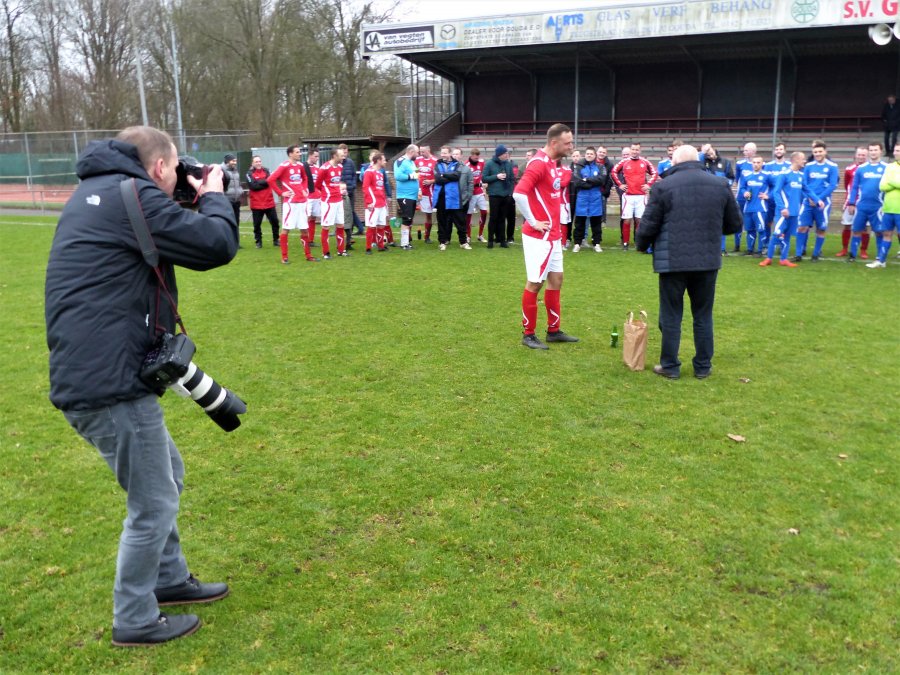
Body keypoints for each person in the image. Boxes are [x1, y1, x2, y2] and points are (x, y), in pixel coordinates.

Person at [45, 126, 235, 646]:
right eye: (173, 171)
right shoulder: (132, 194)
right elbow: (216, 244)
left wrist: (186, 193)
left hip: (95, 371)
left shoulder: (98, 192)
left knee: (166, 475)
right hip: (109, 383)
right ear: (158, 168)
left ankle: (168, 578)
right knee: (152, 502)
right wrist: (212, 194)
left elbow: (158, 232)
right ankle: (133, 617)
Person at [635, 144, 742, 379]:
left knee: (671, 314)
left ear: (675, 162)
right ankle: (703, 366)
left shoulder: (663, 186)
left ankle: (670, 366)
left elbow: (649, 224)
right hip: (707, 261)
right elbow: (734, 224)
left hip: (672, 261)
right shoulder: (720, 184)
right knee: (703, 315)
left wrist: (641, 245)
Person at [513, 123, 579, 350]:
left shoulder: (551, 163)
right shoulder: (538, 163)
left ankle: (553, 330)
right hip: (539, 237)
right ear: (554, 143)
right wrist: (533, 221)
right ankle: (528, 334)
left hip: (553, 236)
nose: (571, 146)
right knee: (535, 283)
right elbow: (519, 194)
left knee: (556, 280)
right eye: (568, 143)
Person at [759, 152, 820, 268]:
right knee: (777, 234)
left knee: (787, 236)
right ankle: (768, 258)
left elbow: (807, 190)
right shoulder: (784, 175)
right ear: (796, 160)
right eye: (802, 159)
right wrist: (782, 208)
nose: (804, 161)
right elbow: (776, 192)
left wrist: (817, 200)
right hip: (783, 213)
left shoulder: (801, 175)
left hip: (795, 212)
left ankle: (783, 259)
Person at [267, 145, 316, 264]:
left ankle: (308, 255)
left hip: (302, 202)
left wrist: (304, 189)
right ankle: (284, 257)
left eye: (300, 152)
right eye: (297, 152)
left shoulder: (300, 165)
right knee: (286, 230)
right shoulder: (284, 166)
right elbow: (270, 179)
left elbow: (305, 178)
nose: (300, 154)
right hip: (290, 203)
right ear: (290, 154)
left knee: (304, 230)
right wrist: (281, 193)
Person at [795, 140, 838, 262]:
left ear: (825, 152)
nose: (818, 154)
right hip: (808, 202)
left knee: (821, 229)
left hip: (823, 203)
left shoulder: (832, 166)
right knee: (802, 227)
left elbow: (832, 185)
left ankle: (815, 254)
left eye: (820, 151)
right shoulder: (808, 166)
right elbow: (804, 184)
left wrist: (818, 199)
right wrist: (810, 198)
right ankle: (798, 254)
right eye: (815, 152)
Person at [612, 142, 658, 250]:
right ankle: (625, 243)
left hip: (641, 196)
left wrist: (648, 184)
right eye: (633, 149)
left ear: (640, 151)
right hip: (628, 196)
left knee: (639, 220)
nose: (635, 151)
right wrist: (620, 184)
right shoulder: (624, 162)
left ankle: (638, 242)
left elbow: (655, 173)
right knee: (627, 220)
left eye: (637, 149)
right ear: (630, 150)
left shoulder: (645, 162)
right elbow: (613, 172)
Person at [847, 143, 887, 263]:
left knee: (879, 231)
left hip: (878, 206)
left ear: (881, 151)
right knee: (856, 230)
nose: (873, 152)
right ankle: (852, 255)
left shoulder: (886, 168)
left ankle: (880, 257)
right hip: (862, 205)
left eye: (875, 150)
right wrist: (852, 203)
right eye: (871, 150)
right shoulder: (861, 168)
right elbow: (854, 187)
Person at [433, 146, 471, 251]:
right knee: (442, 221)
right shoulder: (437, 164)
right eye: (442, 153)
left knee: (460, 221)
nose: (443, 155)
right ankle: (442, 242)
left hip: (454, 197)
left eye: (445, 153)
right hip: (441, 197)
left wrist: (443, 174)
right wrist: (449, 177)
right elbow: (438, 179)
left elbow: (457, 176)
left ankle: (463, 242)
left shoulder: (457, 164)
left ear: (450, 153)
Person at [571, 146, 608, 253]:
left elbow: (602, 180)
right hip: (582, 198)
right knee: (580, 222)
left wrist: (587, 180)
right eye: (587, 153)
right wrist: (591, 184)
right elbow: (577, 182)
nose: (589, 155)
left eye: (591, 154)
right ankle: (577, 244)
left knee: (596, 222)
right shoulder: (579, 166)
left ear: (595, 155)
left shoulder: (600, 167)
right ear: (585, 155)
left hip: (595, 198)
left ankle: (596, 243)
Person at [316, 148, 349, 257]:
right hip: (328, 202)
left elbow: (336, 182)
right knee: (326, 226)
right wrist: (326, 194)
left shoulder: (340, 166)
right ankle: (326, 252)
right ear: (334, 156)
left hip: (338, 200)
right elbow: (318, 184)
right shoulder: (324, 168)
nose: (343, 157)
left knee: (340, 225)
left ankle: (341, 250)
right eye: (341, 155)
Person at [482, 144, 516, 248]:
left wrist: (510, 192)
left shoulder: (508, 164)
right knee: (493, 218)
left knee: (502, 218)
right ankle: (490, 240)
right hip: (494, 195)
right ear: (500, 154)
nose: (507, 155)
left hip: (505, 195)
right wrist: (496, 176)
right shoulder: (489, 164)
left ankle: (502, 240)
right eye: (505, 153)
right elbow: (484, 178)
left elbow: (512, 179)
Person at [837, 147, 869, 258]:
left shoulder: (869, 169)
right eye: (859, 154)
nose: (861, 157)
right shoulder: (849, 169)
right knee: (847, 225)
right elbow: (847, 185)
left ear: (867, 156)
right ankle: (845, 249)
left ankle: (863, 250)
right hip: (850, 202)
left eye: (863, 155)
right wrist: (850, 200)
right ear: (855, 155)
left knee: (864, 228)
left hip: (864, 202)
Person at [873, 141, 900, 267]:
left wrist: (891, 181)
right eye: (895, 150)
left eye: (898, 151)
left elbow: (889, 182)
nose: (895, 153)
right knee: (887, 234)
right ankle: (881, 261)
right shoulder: (890, 167)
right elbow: (882, 186)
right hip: (888, 208)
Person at [736, 156, 768, 256]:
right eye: (754, 162)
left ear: (762, 164)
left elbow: (775, 187)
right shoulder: (747, 175)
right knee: (749, 229)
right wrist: (744, 192)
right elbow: (742, 187)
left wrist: (768, 195)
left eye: (758, 162)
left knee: (761, 230)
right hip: (748, 207)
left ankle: (760, 250)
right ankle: (750, 249)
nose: (756, 164)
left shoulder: (767, 176)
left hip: (760, 208)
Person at [246, 155, 279, 248]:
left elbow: (271, 181)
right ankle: (258, 242)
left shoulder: (267, 170)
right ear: (252, 163)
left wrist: (259, 182)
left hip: (269, 202)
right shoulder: (249, 173)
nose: (258, 163)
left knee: (275, 222)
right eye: (256, 162)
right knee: (257, 225)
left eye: (259, 161)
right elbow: (253, 186)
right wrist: (265, 182)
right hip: (256, 204)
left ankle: (276, 240)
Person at [763, 142, 791, 255]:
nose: (778, 151)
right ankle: (767, 245)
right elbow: (765, 182)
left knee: (782, 222)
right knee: (768, 222)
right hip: (770, 199)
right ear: (774, 151)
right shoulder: (768, 166)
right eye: (777, 149)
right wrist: (767, 195)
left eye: (781, 149)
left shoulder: (789, 165)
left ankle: (781, 243)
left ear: (785, 151)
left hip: (783, 200)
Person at [732, 141, 757, 251]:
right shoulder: (740, 164)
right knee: (738, 221)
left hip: (754, 199)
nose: (744, 152)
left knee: (751, 223)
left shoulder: (760, 163)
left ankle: (751, 247)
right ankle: (737, 245)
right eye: (744, 150)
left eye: (746, 150)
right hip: (741, 198)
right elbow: (737, 180)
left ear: (753, 151)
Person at [393, 143, 418, 250]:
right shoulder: (400, 161)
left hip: (412, 196)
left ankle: (407, 242)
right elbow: (398, 176)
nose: (418, 154)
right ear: (411, 152)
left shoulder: (411, 162)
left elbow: (416, 176)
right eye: (417, 152)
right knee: (406, 219)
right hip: (404, 195)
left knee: (410, 219)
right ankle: (404, 243)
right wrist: (411, 176)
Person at [362, 152, 389, 253]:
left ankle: (380, 246)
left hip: (382, 203)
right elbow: (365, 187)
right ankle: (368, 248)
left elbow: (381, 188)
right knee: (371, 225)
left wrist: (385, 201)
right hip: (373, 204)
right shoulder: (369, 172)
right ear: (378, 161)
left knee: (381, 225)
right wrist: (369, 202)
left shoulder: (380, 173)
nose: (385, 162)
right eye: (384, 160)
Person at [338, 143, 363, 235]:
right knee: (341, 212)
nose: (345, 154)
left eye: (346, 152)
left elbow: (354, 175)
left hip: (350, 191)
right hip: (340, 192)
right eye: (343, 152)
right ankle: (342, 230)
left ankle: (356, 229)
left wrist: (353, 186)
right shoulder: (337, 163)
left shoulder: (350, 162)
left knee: (350, 211)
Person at [415, 145, 437, 242]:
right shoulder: (417, 160)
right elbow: (414, 173)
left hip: (428, 193)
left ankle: (427, 237)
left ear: (428, 150)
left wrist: (431, 181)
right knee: (410, 213)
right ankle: (408, 237)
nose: (421, 153)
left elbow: (439, 177)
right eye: (420, 151)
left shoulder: (435, 161)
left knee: (428, 214)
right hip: (416, 191)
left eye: (423, 151)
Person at [466, 148, 489, 242]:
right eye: (475, 158)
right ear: (471, 156)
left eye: (478, 158)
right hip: (471, 193)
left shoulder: (481, 162)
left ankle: (480, 234)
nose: (477, 159)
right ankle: (468, 236)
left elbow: (484, 174)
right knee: (469, 214)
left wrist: (485, 183)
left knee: (484, 212)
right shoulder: (467, 165)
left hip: (479, 191)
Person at [221, 153, 243, 241]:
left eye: (235, 161)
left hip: (236, 200)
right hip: (226, 200)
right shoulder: (221, 170)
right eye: (233, 161)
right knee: (227, 221)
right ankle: (227, 240)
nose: (235, 162)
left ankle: (236, 242)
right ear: (227, 161)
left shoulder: (235, 171)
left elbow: (238, 183)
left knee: (236, 221)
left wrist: (240, 191)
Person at [303, 148, 322, 247]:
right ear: (310, 156)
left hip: (316, 197)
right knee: (307, 217)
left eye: (318, 156)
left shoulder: (317, 168)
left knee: (313, 218)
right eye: (315, 156)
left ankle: (311, 240)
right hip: (307, 197)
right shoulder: (303, 167)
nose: (317, 158)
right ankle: (305, 239)